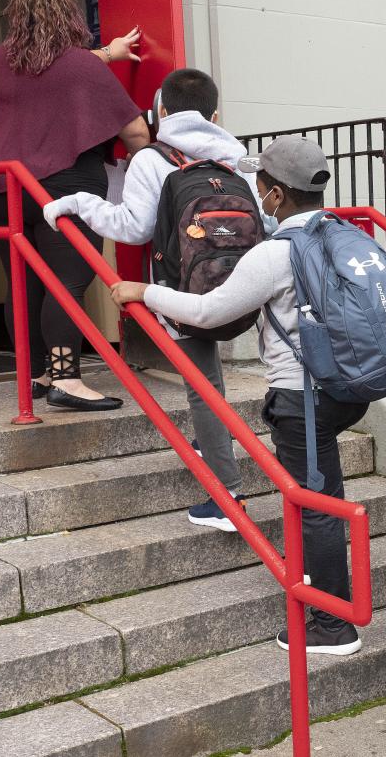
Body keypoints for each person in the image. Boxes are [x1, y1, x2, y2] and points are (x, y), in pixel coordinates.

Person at [110, 136, 367, 655]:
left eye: (260, 186)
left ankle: (333, 623)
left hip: (302, 396)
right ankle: (328, 600)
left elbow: (209, 312)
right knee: (321, 494)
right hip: (348, 387)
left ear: (273, 195)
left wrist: (144, 292)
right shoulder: (342, 234)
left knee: (316, 504)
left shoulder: (275, 254)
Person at [43, 68, 266, 530]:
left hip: (180, 290)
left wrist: (77, 203)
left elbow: (133, 228)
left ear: (161, 111)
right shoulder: (238, 158)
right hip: (245, 290)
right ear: (215, 114)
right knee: (214, 387)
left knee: (203, 387)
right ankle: (216, 447)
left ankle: (227, 499)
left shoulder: (151, 159)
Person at [0, 0, 150, 411]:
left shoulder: (1, 60)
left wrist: (106, 54)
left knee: (24, 283)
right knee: (66, 283)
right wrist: (148, 167)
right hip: (65, 188)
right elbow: (133, 129)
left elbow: (47, 69)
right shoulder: (81, 66)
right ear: (68, 14)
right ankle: (67, 380)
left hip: (2, 188)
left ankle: (36, 375)